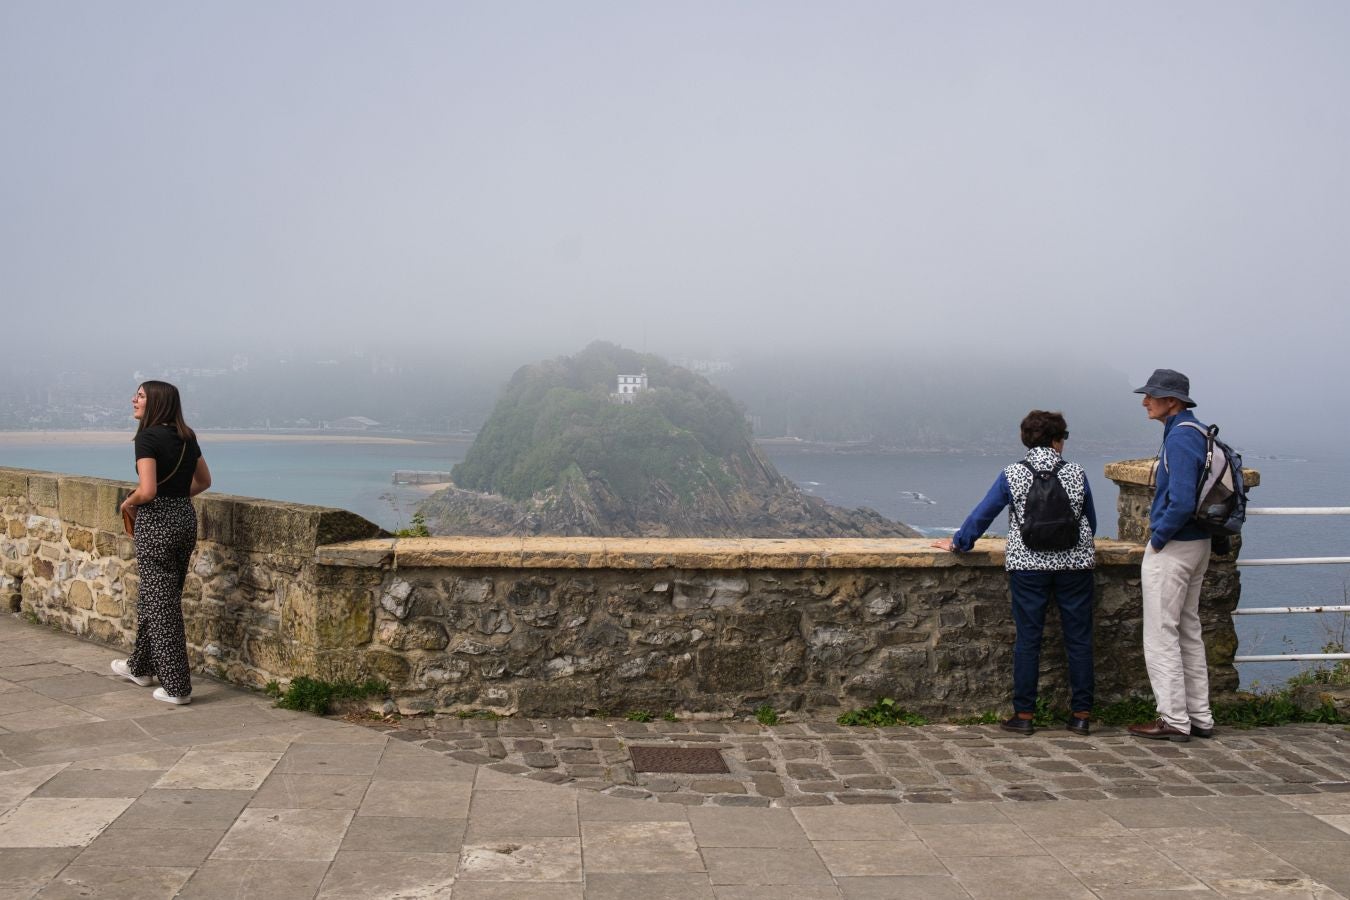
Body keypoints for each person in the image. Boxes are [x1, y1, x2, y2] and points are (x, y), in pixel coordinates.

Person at [933, 410, 1097, 735]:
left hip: (1028, 567)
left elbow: (983, 514)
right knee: (1078, 640)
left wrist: (958, 543)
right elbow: (1090, 523)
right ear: (1057, 441)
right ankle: (1081, 715)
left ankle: (1023, 716)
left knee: (1028, 640)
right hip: (1075, 567)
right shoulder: (1077, 473)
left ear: (1026, 440)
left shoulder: (1013, 474)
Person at [1127, 369, 1216, 743]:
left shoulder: (1180, 439)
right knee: (1188, 630)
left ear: (1172, 403)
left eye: (1153, 396)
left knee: (1161, 633)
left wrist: (1158, 537)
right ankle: (1199, 716)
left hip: (1176, 545)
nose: (1146, 401)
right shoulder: (1198, 433)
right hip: (1200, 543)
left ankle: (1174, 719)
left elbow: (1180, 500)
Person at [111, 380, 211, 705]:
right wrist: (177, 499)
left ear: (155, 402)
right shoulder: (187, 436)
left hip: (156, 524)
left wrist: (128, 503)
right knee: (157, 597)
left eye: (139, 396)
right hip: (184, 518)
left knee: (161, 604)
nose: (133, 400)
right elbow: (205, 482)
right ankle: (139, 667)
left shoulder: (147, 437)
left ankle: (176, 686)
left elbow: (148, 490)